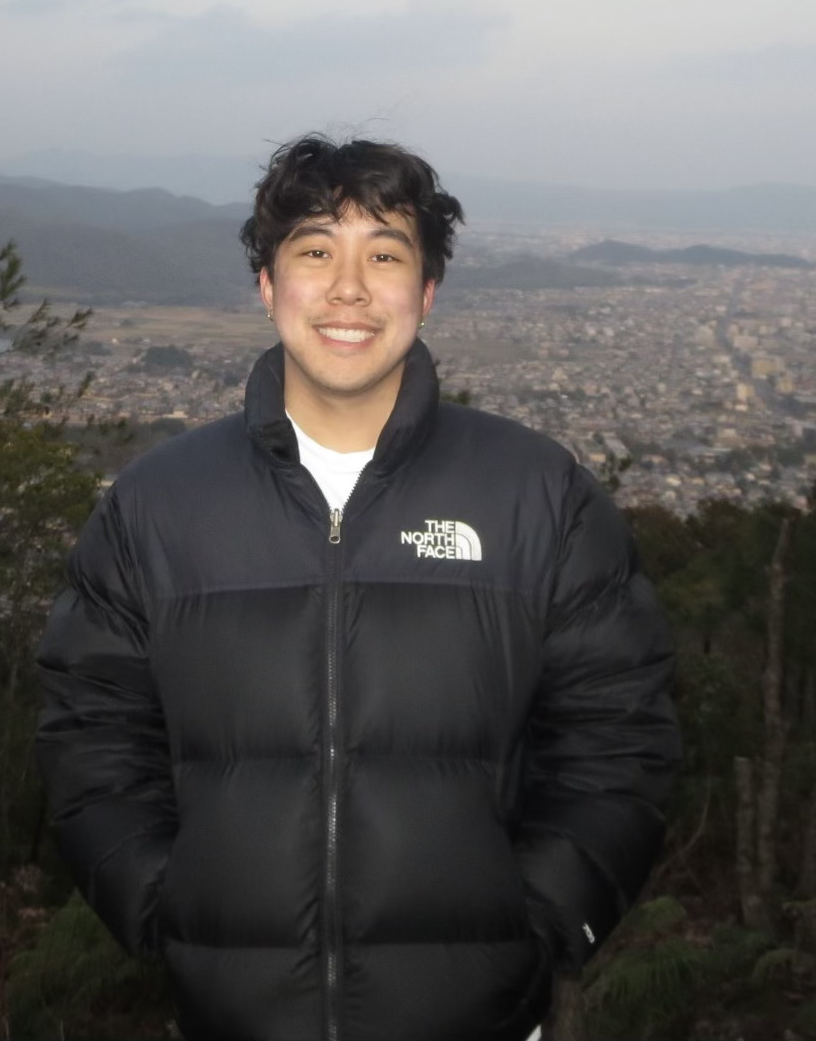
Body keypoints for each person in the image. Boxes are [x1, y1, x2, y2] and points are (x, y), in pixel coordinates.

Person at [35, 135, 682, 1041]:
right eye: (313, 251)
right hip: (228, 1015)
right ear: (267, 285)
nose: (348, 288)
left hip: (483, 1017)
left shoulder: (539, 496)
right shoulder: (156, 506)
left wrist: (538, 919)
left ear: (426, 291)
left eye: (384, 255)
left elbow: (621, 737)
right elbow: (91, 733)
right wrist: (161, 907)